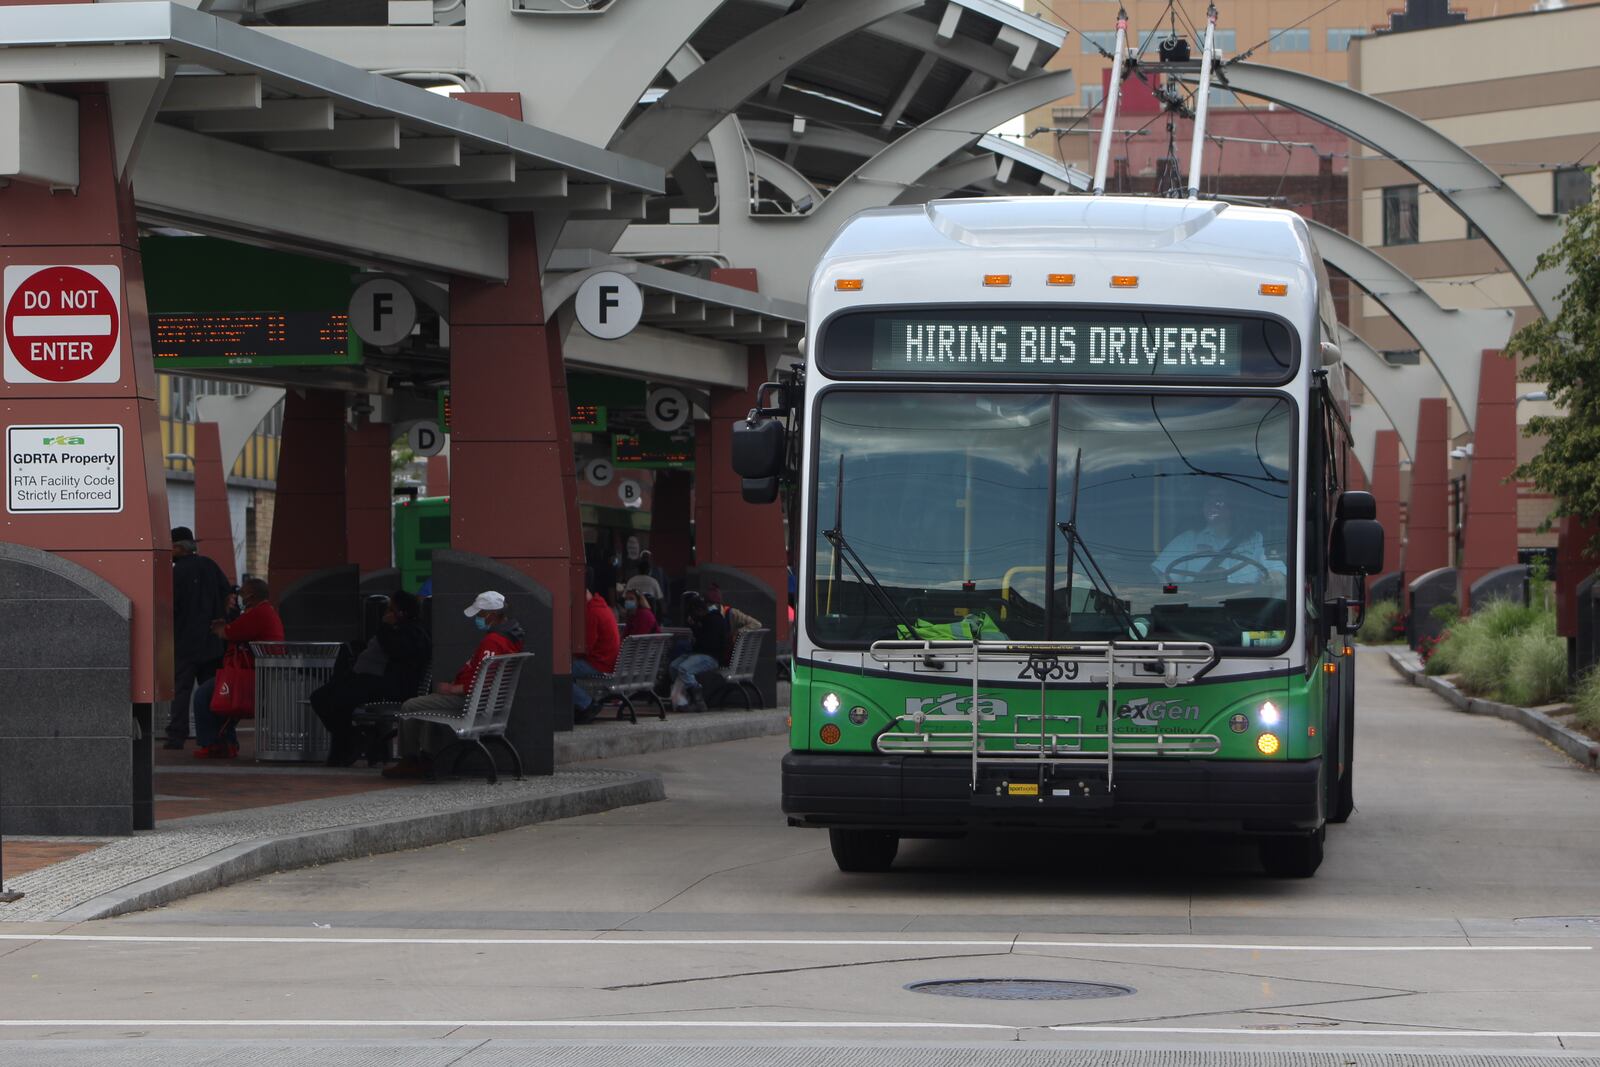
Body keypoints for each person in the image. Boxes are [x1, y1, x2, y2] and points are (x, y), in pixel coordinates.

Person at [384, 590, 524, 779]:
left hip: (470, 703)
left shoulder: (492, 642)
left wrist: (452, 689)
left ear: (490, 615)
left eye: (479, 614)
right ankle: (426, 757)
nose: (477, 619)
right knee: (429, 704)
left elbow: (482, 683)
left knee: (410, 706)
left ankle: (410, 760)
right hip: (484, 704)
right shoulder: (512, 640)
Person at [309, 590, 432, 766]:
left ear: (401, 613)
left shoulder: (413, 633)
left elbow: (396, 651)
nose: (386, 613)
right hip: (370, 681)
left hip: (387, 687)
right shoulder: (398, 630)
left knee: (330, 700)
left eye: (391, 609)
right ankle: (353, 739)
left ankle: (351, 741)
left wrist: (385, 627)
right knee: (324, 697)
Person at [192, 577, 284, 759]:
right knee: (220, 700)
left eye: (241, 594)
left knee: (204, 695)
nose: (239, 597)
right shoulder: (265, 612)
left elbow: (228, 632)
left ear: (250, 595)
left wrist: (221, 625)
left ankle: (213, 743)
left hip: (251, 675)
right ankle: (226, 743)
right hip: (260, 672)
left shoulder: (258, 614)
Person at [165, 526, 231, 750]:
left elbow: (170, 608)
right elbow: (228, 592)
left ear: (178, 548)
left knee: (181, 691)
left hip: (184, 642)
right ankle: (216, 735)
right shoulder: (210, 565)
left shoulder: (175, 573)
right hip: (212, 641)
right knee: (212, 692)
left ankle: (176, 736)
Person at [1151, 485, 1288, 585]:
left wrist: (1275, 577)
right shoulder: (1188, 539)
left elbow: (1277, 573)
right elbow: (1168, 582)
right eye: (1208, 500)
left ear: (1233, 505)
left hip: (1247, 610)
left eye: (1219, 501)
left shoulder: (1255, 538)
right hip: (1197, 610)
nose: (1212, 505)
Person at [571, 583, 622, 724]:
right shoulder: (601, 607)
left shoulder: (591, 613)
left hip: (599, 663)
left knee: (560, 674)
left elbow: (586, 647)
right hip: (608, 660)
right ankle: (581, 703)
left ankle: (587, 704)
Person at [669, 592, 729, 712]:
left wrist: (695, 628)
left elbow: (707, 643)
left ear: (699, 610)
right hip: (699, 654)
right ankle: (683, 697)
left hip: (711, 657)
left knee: (684, 669)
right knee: (674, 666)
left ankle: (698, 701)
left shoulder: (713, 620)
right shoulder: (706, 619)